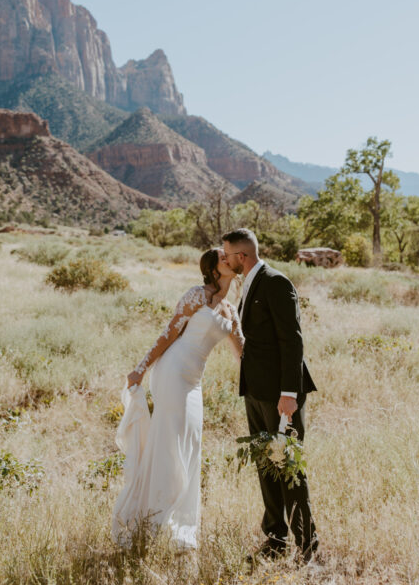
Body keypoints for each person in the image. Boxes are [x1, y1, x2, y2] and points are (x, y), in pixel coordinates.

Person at [111, 249, 244, 550]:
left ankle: (178, 524)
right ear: (213, 268)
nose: (229, 259)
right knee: (171, 443)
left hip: (194, 381)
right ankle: (154, 519)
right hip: (172, 372)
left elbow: (242, 355)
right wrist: (140, 369)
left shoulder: (231, 310)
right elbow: (168, 333)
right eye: (223, 257)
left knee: (190, 443)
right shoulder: (197, 295)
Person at [221, 227, 319, 564]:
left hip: (281, 395)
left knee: (289, 466)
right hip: (257, 392)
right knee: (266, 465)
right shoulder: (248, 282)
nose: (225, 259)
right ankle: (276, 538)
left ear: (242, 256)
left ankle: (307, 547)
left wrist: (289, 393)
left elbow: (292, 340)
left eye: (227, 254)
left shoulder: (276, 282)